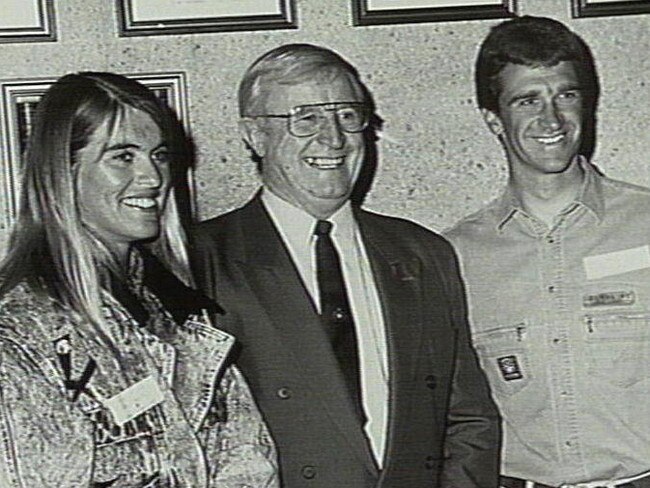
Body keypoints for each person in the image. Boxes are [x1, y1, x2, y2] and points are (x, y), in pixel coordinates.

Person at [190, 43, 500, 487]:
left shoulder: (422, 254)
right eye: (306, 118)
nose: (333, 138)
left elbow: (469, 419)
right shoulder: (202, 262)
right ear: (254, 135)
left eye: (347, 116)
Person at [0, 72, 278, 487]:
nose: (154, 178)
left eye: (160, 156)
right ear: (64, 171)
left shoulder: (175, 311)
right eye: (123, 157)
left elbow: (247, 462)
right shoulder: (22, 333)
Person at [444, 16, 650, 488]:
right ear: (493, 118)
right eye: (527, 100)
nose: (552, 119)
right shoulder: (454, 256)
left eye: (566, 95)